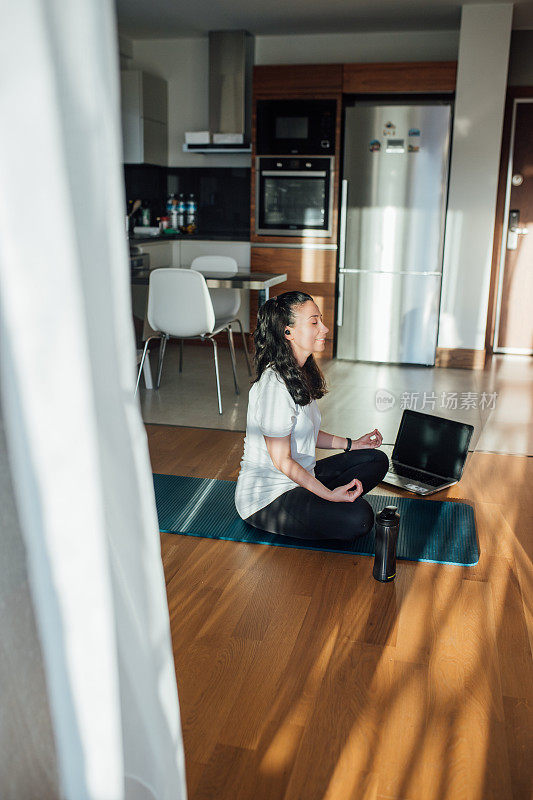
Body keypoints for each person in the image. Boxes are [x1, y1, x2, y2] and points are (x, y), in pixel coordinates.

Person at [235, 290, 390, 544]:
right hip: (268, 498)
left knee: (375, 459)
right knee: (360, 519)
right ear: (288, 332)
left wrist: (352, 444)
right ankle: (330, 506)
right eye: (314, 322)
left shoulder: (300, 370)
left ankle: (325, 505)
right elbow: (282, 462)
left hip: (303, 476)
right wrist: (329, 495)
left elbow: (303, 431)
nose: (325, 328)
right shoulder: (275, 386)